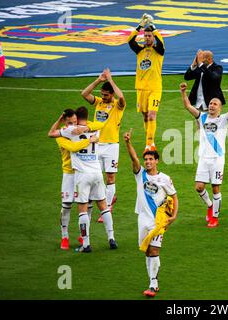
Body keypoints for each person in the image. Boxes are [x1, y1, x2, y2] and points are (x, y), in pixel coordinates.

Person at [49, 106, 118, 252]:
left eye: (74, 122)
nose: (72, 125)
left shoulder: (76, 129)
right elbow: (73, 147)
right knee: (67, 205)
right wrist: (90, 138)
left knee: (88, 206)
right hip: (70, 174)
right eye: (69, 123)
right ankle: (65, 236)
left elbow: (94, 125)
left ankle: (84, 238)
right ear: (64, 122)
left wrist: (85, 128)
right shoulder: (63, 136)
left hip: (82, 173)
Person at [123, 129, 178, 298]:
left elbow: (174, 197)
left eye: (150, 159)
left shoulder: (165, 179)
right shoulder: (140, 175)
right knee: (147, 252)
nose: (147, 162)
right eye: (145, 159)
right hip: (143, 219)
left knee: (154, 251)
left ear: (156, 161)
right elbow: (133, 158)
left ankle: (153, 285)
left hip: (158, 221)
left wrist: (174, 215)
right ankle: (152, 281)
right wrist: (127, 143)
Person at [180, 82, 228, 228]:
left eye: (215, 104)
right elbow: (188, 106)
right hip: (204, 158)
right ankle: (210, 205)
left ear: (220, 108)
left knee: (215, 188)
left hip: (217, 159)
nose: (211, 105)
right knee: (199, 187)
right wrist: (183, 92)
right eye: (211, 103)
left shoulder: (223, 119)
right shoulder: (202, 117)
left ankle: (215, 218)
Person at [81, 68, 126, 222]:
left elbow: (121, 97)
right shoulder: (99, 103)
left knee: (110, 177)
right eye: (102, 94)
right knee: (97, 177)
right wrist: (99, 80)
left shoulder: (117, 106)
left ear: (111, 94)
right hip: (96, 145)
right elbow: (84, 94)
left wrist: (111, 80)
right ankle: (105, 199)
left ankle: (106, 208)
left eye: (106, 95)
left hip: (112, 145)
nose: (103, 97)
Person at [127, 13, 164, 152]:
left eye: (150, 36)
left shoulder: (159, 51)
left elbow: (161, 41)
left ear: (153, 37)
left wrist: (153, 27)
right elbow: (129, 41)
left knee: (152, 114)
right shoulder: (140, 50)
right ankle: (151, 140)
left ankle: (149, 145)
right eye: (146, 35)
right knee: (144, 115)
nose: (147, 38)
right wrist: (140, 26)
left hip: (155, 88)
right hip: (141, 88)